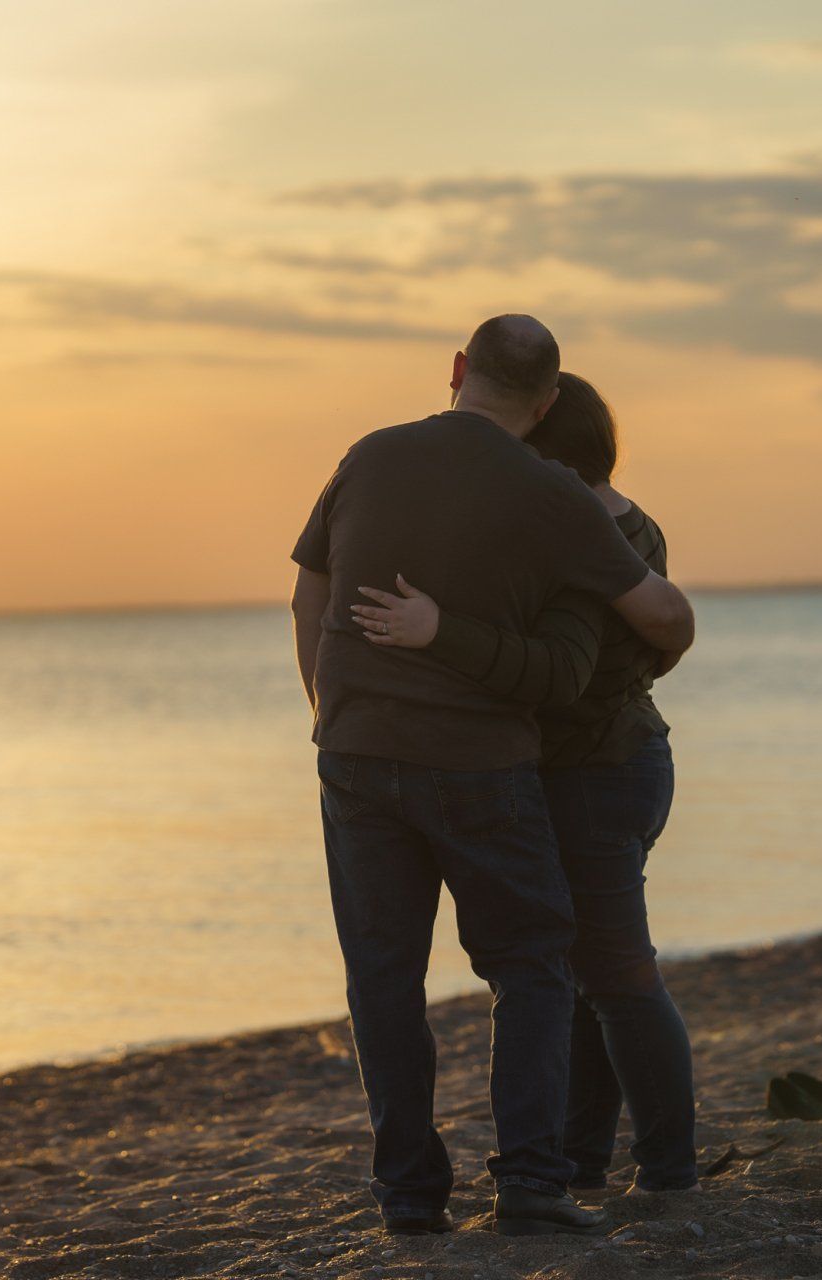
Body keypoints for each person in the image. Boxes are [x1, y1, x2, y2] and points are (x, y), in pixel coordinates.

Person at [289, 317, 695, 1237]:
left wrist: (326, 704)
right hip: (477, 762)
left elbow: (310, 587)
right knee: (532, 966)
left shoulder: (369, 454)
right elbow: (658, 615)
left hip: (355, 754)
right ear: (547, 401)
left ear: (459, 370)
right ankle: (533, 1185)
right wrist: (673, 639)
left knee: (382, 979)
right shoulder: (553, 496)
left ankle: (408, 1196)